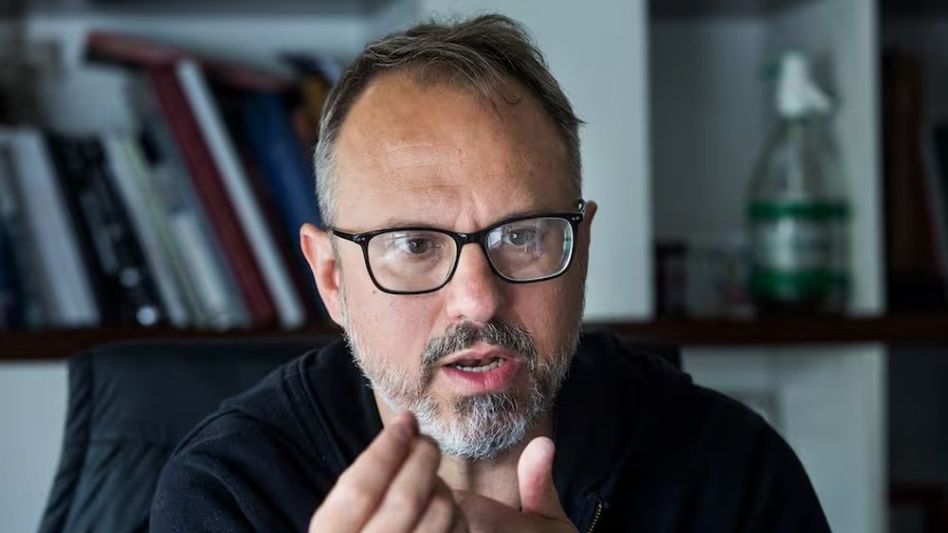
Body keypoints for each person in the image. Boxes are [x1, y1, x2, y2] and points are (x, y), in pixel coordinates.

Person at [151, 14, 831, 533]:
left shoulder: (731, 473)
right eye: (414, 244)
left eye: (522, 236)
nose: (477, 299)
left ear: (581, 251)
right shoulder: (230, 493)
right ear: (332, 278)